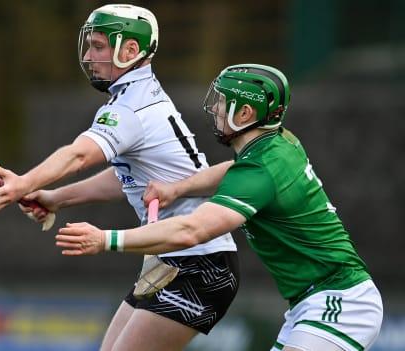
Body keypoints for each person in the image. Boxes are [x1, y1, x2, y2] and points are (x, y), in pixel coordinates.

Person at [56, 64, 384, 351]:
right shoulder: (278, 143)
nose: (213, 109)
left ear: (245, 115)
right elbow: (231, 170)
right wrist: (178, 188)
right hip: (312, 301)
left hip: (340, 301)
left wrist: (105, 240)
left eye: (222, 102)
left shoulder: (261, 171)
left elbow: (192, 230)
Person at [0, 4, 240, 350]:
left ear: (130, 50)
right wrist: (56, 198)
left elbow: (78, 154)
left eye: (98, 46)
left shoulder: (131, 108)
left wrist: (24, 184)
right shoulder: (136, 96)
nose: (88, 56)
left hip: (201, 265)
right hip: (174, 260)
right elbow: (126, 178)